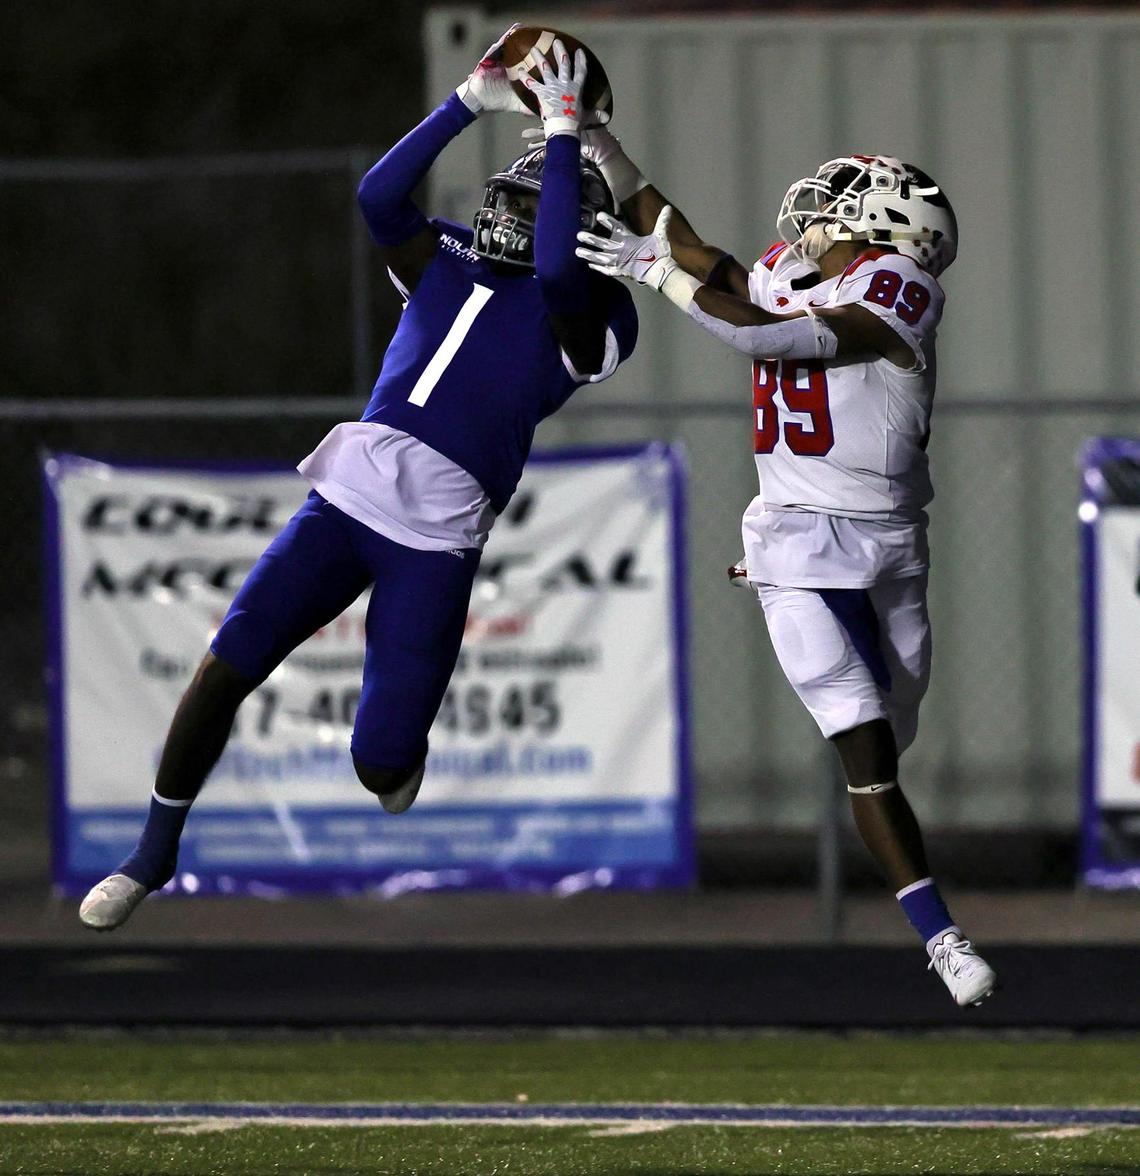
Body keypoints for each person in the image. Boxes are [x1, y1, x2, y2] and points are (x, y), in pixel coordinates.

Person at [79, 32, 637, 931]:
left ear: (576, 223)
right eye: (514, 195)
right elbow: (377, 194)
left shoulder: (591, 313)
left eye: (538, 204)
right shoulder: (447, 260)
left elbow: (562, 273)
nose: (510, 213)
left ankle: (396, 761)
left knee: (378, 762)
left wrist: (566, 135)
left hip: (435, 539)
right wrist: (469, 101)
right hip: (347, 495)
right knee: (229, 659)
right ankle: (151, 854)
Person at [574, 139, 996, 1007]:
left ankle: (917, 892)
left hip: (888, 546)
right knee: (863, 738)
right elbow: (698, 251)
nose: (814, 208)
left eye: (841, 196)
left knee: (896, 719)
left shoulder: (900, 285)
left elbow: (765, 332)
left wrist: (660, 278)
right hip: (792, 545)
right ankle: (943, 939)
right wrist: (603, 148)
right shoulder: (789, 266)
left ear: (885, 223)